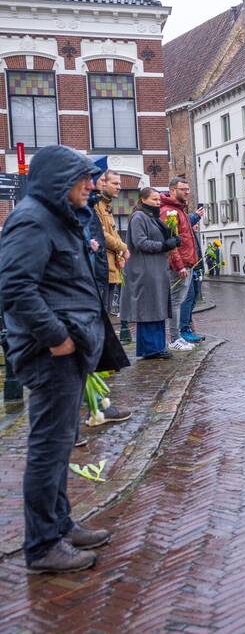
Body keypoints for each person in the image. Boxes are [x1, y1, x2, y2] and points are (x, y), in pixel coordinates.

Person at [0, 145, 116, 573]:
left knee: (60, 444)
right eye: (83, 178)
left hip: (68, 350)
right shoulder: (32, 220)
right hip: (51, 355)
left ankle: (61, 524)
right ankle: (43, 545)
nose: (91, 185)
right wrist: (57, 339)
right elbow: (15, 288)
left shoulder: (56, 218)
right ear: (58, 182)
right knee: (48, 449)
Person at [122, 187, 179, 361]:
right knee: (148, 308)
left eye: (158, 199)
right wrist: (164, 246)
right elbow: (140, 242)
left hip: (155, 269)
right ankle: (151, 348)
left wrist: (172, 237)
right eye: (154, 199)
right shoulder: (138, 217)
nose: (158, 202)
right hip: (145, 270)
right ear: (143, 199)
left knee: (157, 307)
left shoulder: (151, 217)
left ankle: (156, 346)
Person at [160, 179, 199, 351]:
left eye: (188, 189)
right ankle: (175, 338)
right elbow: (170, 242)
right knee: (176, 301)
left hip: (187, 263)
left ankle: (177, 337)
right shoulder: (169, 212)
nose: (187, 192)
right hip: (179, 266)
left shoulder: (179, 210)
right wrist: (180, 265)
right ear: (173, 190)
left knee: (179, 300)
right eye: (184, 189)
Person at [94, 171, 129, 313]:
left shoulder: (105, 205)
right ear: (103, 183)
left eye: (120, 183)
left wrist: (120, 253)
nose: (119, 187)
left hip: (111, 267)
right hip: (103, 267)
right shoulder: (96, 205)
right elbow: (102, 235)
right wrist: (124, 247)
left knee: (106, 313)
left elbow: (113, 232)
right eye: (115, 183)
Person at [178, 212, 206, 344]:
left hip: (195, 266)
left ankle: (187, 327)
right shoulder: (173, 213)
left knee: (193, 297)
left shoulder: (190, 229)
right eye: (184, 189)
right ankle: (183, 330)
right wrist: (195, 216)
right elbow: (180, 222)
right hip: (186, 266)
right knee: (187, 298)